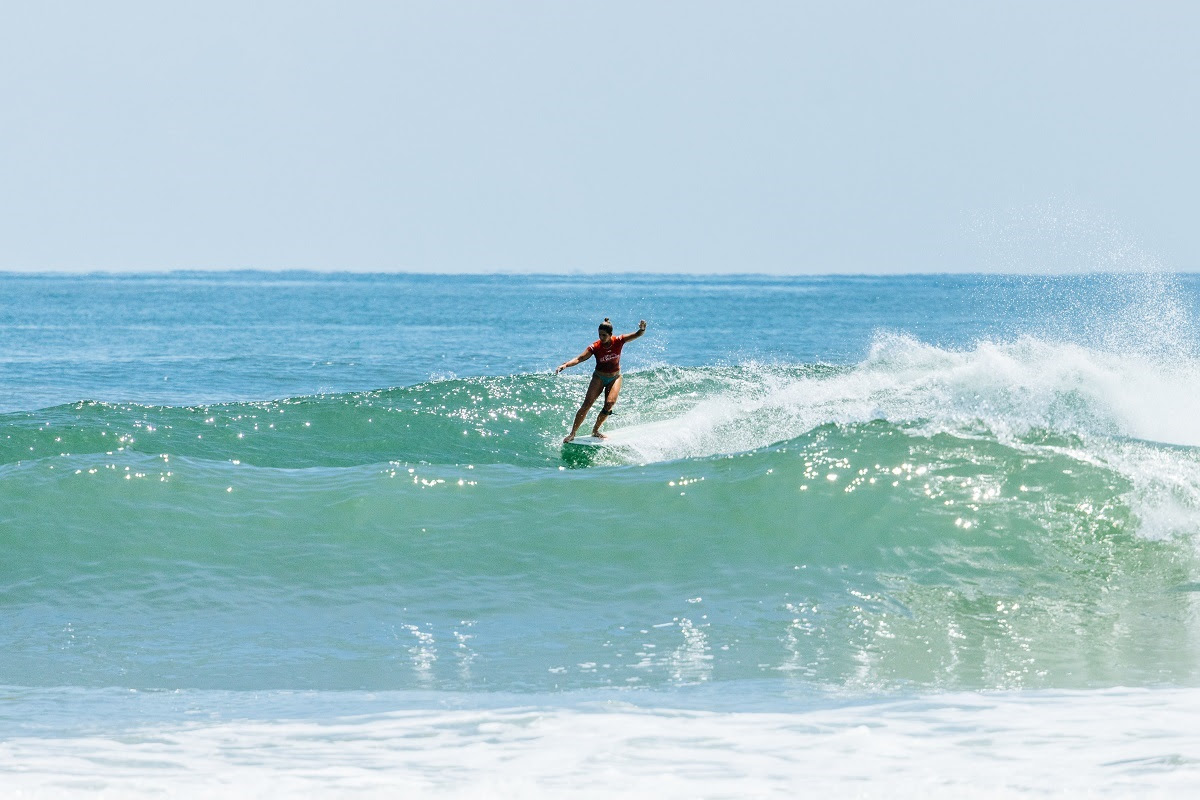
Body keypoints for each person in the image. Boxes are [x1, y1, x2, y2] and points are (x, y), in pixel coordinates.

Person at [556, 317, 647, 442]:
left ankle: (595, 430)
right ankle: (572, 433)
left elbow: (637, 334)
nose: (601, 338)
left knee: (609, 404)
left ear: (610, 335)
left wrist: (642, 329)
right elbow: (580, 358)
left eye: (604, 335)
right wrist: (565, 365)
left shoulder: (619, 341)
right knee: (587, 404)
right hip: (599, 377)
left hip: (615, 377)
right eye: (600, 335)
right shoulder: (595, 347)